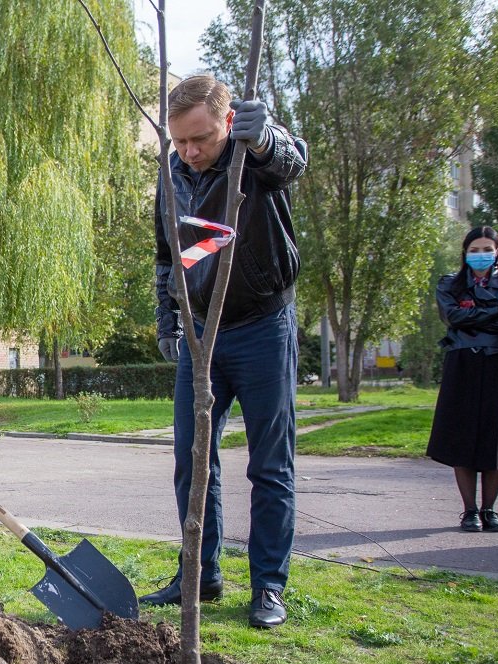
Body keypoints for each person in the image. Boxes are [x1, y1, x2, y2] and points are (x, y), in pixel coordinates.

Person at [147, 75, 308, 628]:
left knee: (269, 464)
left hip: (263, 325)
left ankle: (268, 586)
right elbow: (167, 255)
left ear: (228, 124)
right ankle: (199, 575)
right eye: (179, 142)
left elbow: (293, 162)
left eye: (202, 139)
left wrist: (266, 140)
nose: (190, 153)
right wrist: (170, 322)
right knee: (193, 461)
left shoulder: (252, 154)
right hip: (200, 335)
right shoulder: (172, 173)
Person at [426, 226, 498, 533]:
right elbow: (453, 318)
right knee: (462, 437)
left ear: (497, 251)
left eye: (487, 249)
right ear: (465, 252)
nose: (481, 255)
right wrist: (497, 312)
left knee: (495, 439)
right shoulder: (450, 284)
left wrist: (483, 317)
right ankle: (469, 510)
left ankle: (490, 509)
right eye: (474, 250)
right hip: (462, 364)